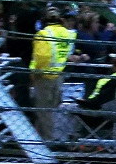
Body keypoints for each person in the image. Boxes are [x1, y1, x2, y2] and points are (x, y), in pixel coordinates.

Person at [28, 7, 79, 139]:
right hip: (59, 75)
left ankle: (46, 140)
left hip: (44, 76)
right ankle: (37, 138)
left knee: (43, 111)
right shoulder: (68, 34)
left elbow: (41, 57)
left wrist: (34, 74)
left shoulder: (43, 33)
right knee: (47, 111)